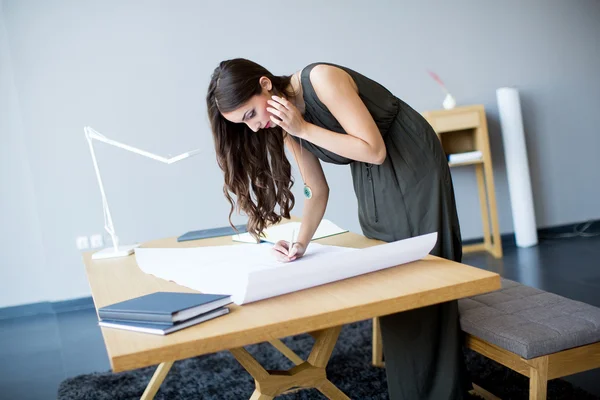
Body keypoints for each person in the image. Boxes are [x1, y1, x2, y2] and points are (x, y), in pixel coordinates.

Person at [206, 58, 469, 400]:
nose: (255, 127)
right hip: (373, 177)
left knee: (424, 274)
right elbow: (316, 189)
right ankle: (420, 387)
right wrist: (298, 242)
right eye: (246, 123)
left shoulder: (322, 79)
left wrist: (302, 128)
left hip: (411, 162)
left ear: (265, 84)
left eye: (251, 115)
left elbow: (374, 150)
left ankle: (441, 391)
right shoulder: (289, 125)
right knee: (394, 280)